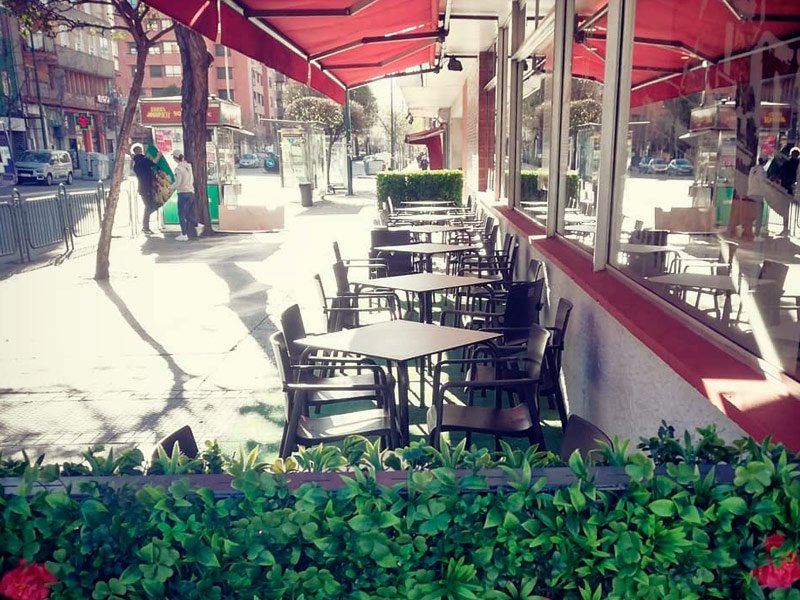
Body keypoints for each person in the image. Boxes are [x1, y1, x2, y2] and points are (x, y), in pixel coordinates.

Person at [170, 152, 203, 241]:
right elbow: (191, 179)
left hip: (183, 193)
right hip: (190, 192)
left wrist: (170, 188)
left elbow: (178, 182)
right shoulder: (188, 166)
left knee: (181, 214)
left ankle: (184, 234)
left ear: (175, 158)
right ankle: (197, 224)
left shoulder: (178, 169)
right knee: (187, 214)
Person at [132, 144, 158, 235]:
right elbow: (153, 163)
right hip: (146, 187)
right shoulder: (142, 160)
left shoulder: (136, 162)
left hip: (143, 188)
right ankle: (145, 227)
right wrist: (159, 156)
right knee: (149, 206)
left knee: (149, 206)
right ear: (140, 151)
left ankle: (145, 226)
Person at [747, 156, 769, 241]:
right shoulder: (762, 171)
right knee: (759, 216)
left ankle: (745, 229)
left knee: (750, 215)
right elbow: (762, 183)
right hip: (758, 195)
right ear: (765, 162)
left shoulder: (753, 169)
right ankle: (757, 235)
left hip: (750, 193)